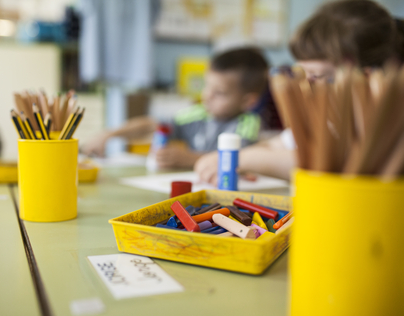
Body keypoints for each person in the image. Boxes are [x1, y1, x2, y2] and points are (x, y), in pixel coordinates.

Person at [195, 0, 404, 183]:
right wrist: (238, 157)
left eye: (320, 76)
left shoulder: (380, 120)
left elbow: (320, 163)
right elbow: (281, 144)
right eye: (304, 74)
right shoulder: (331, 109)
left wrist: (242, 158)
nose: (308, 85)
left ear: (368, 75)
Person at [82, 47, 275, 169]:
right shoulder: (199, 113)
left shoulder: (249, 123)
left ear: (248, 101)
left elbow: (239, 159)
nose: (207, 95)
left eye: (220, 93)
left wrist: (190, 158)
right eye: (206, 86)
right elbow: (152, 125)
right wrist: (109, 134)